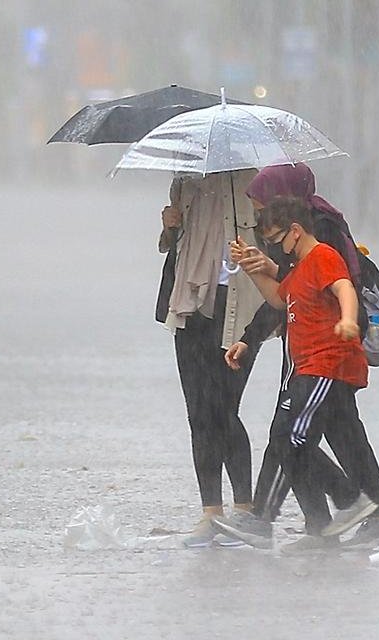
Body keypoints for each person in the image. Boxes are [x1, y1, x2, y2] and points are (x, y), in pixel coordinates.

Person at [210, 163, 379, 550]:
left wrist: (347, 319)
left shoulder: (320, 236)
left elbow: (337, 284)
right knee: (337, 436)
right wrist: (256, 275)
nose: (261, 214)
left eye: (265, 207)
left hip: (326, 354)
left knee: (290, 436)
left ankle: (301, 513)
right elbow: (285, 295)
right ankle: (341, 522)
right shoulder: (300, 244)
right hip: (314, 352)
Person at [157, 169, 266, 548]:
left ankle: (245, 509)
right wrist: (169, 226)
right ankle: (211, 512)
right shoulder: (184, 179)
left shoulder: (253, 182)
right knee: (198, 412)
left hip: (240, 306)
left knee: (224, 409)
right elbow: (174, 245)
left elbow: (276, 243)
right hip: (189, 305)